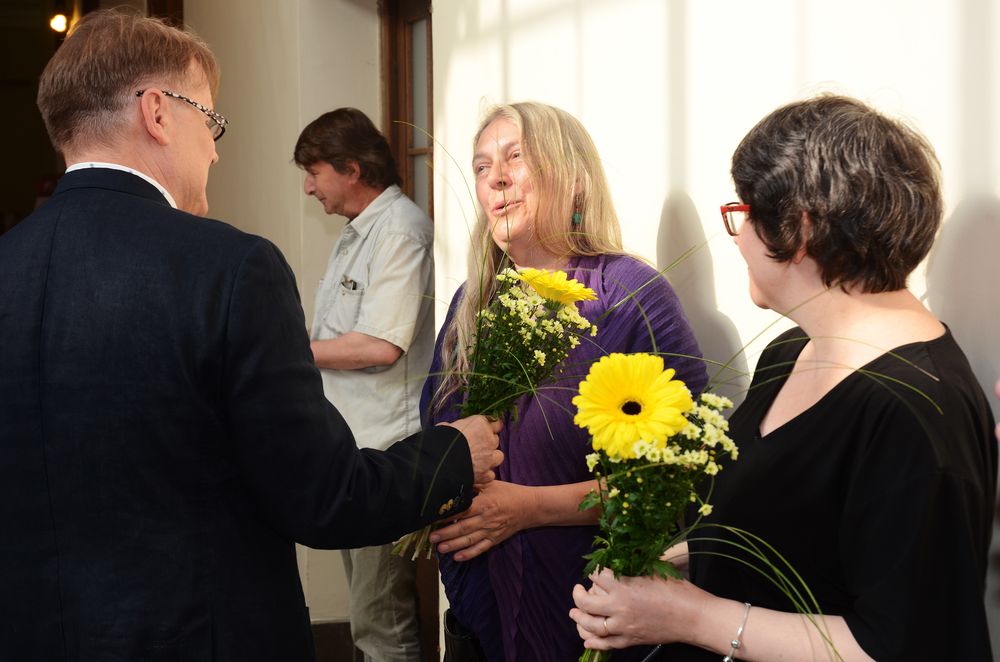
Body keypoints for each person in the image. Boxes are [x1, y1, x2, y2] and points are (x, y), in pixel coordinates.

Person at [0, 10, 502, 661]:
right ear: (158, 113)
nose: (214, 148)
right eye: (210, 120)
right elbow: (325, 498)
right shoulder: (229, 268)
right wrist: (454, 452)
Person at [570, 95, 998, 661]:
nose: (738, 236)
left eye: (743, 213)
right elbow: (788, 530)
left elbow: (899, 645)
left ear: (798, 229)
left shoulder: (916, 413)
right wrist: (669, 568)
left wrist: (689, 616)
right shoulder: (790, 349)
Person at [421, 102, 708, 661]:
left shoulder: (628, 296)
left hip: (589, 614)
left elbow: (673, 477)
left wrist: (528, 507)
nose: (496, 178)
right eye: (482, 166)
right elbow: (435, 437)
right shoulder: (471, 302)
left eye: (516, 157)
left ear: (573, 178)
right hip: (481, 618)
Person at [293, 108, 435, 662]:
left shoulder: (399, 230)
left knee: (381, 624)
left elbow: (380, 345)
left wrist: (288, 352)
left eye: (314, 172)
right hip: (352, 449)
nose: (309, 188)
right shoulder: (358, 232)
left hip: (385, 452)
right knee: (367, 618)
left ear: (352, 169)